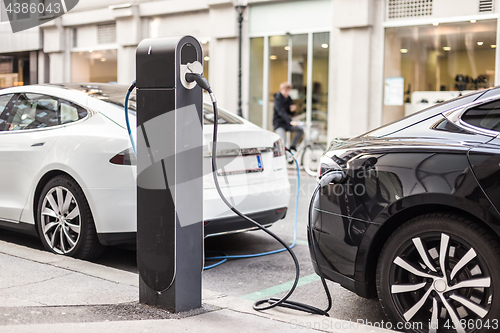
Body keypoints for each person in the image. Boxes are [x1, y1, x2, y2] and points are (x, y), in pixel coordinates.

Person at [273, 82, 304, 151]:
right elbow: (281, 112)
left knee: (300, 130)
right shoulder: (277, 99)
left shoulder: (288, 98)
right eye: (285, 91)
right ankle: (283, 157)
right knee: (283, 141)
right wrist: (290, 121)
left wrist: (292, 110)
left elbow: (291, 113)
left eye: (288, 91)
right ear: (281, 90)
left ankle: (293, 147)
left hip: (287, 123)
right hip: (279, 124)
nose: (287, 92)